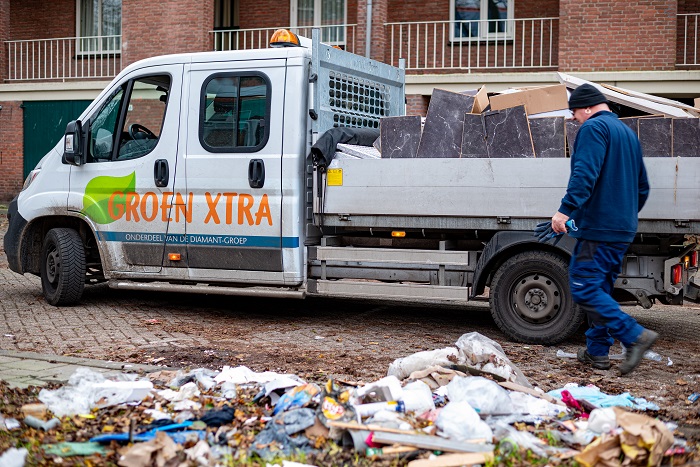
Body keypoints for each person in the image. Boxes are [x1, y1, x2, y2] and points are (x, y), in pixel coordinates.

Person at [552, 83, 656, 375]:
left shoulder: (593, 129)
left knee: (583, 286)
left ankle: (635, 336)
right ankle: (597, 353)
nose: (574, 119)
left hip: (599, 228)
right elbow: (643, 188)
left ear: (586, 107)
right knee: (601, 290)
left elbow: (586, 173)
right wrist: (622, 215)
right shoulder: (627, 133)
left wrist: (565, 210)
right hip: (621, 228)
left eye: (574, 112)